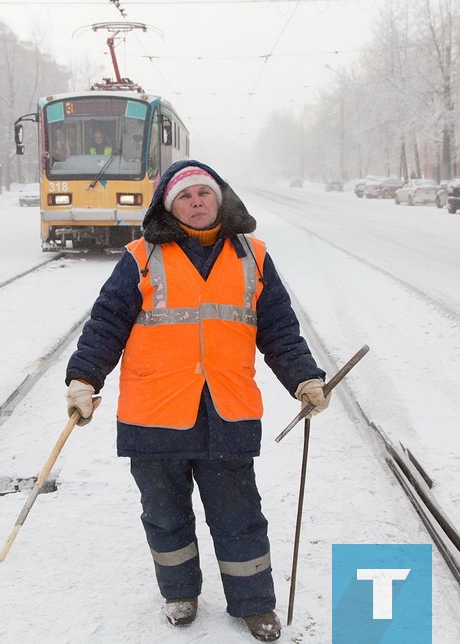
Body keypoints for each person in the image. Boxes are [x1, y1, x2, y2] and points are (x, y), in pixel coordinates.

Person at [64, 159, 330, 642]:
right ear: (170, 206)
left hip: (226, 411)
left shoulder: (254, 256)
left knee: (240, 516)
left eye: (204, 193)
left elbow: (280, 330)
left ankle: (254, 604)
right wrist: (84, 378)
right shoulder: (141, 257)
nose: (197, 202)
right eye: (186, 196)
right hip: (153, 414)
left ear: (220, 198)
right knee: (165, 514)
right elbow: (106, 324)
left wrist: (304, 379)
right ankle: (179, 593)